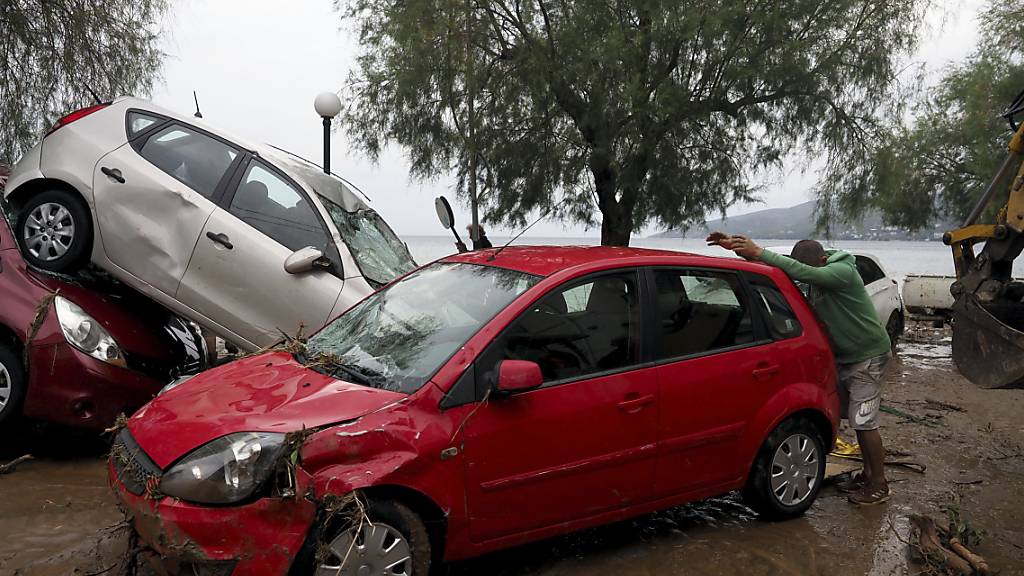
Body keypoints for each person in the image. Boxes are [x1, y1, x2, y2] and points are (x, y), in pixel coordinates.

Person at [708, 232, 893, 506]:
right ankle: (867, 474)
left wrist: (758, 250)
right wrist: (742, 251)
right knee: (854, 419)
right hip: (845, 358)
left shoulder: (842, 271)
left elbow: (804, 272)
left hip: (869, 357)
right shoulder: (816, 273)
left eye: (810, 269)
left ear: (823, 260)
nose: (806, 277)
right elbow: (785, 270)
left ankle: (879, 484)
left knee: (864, 422)